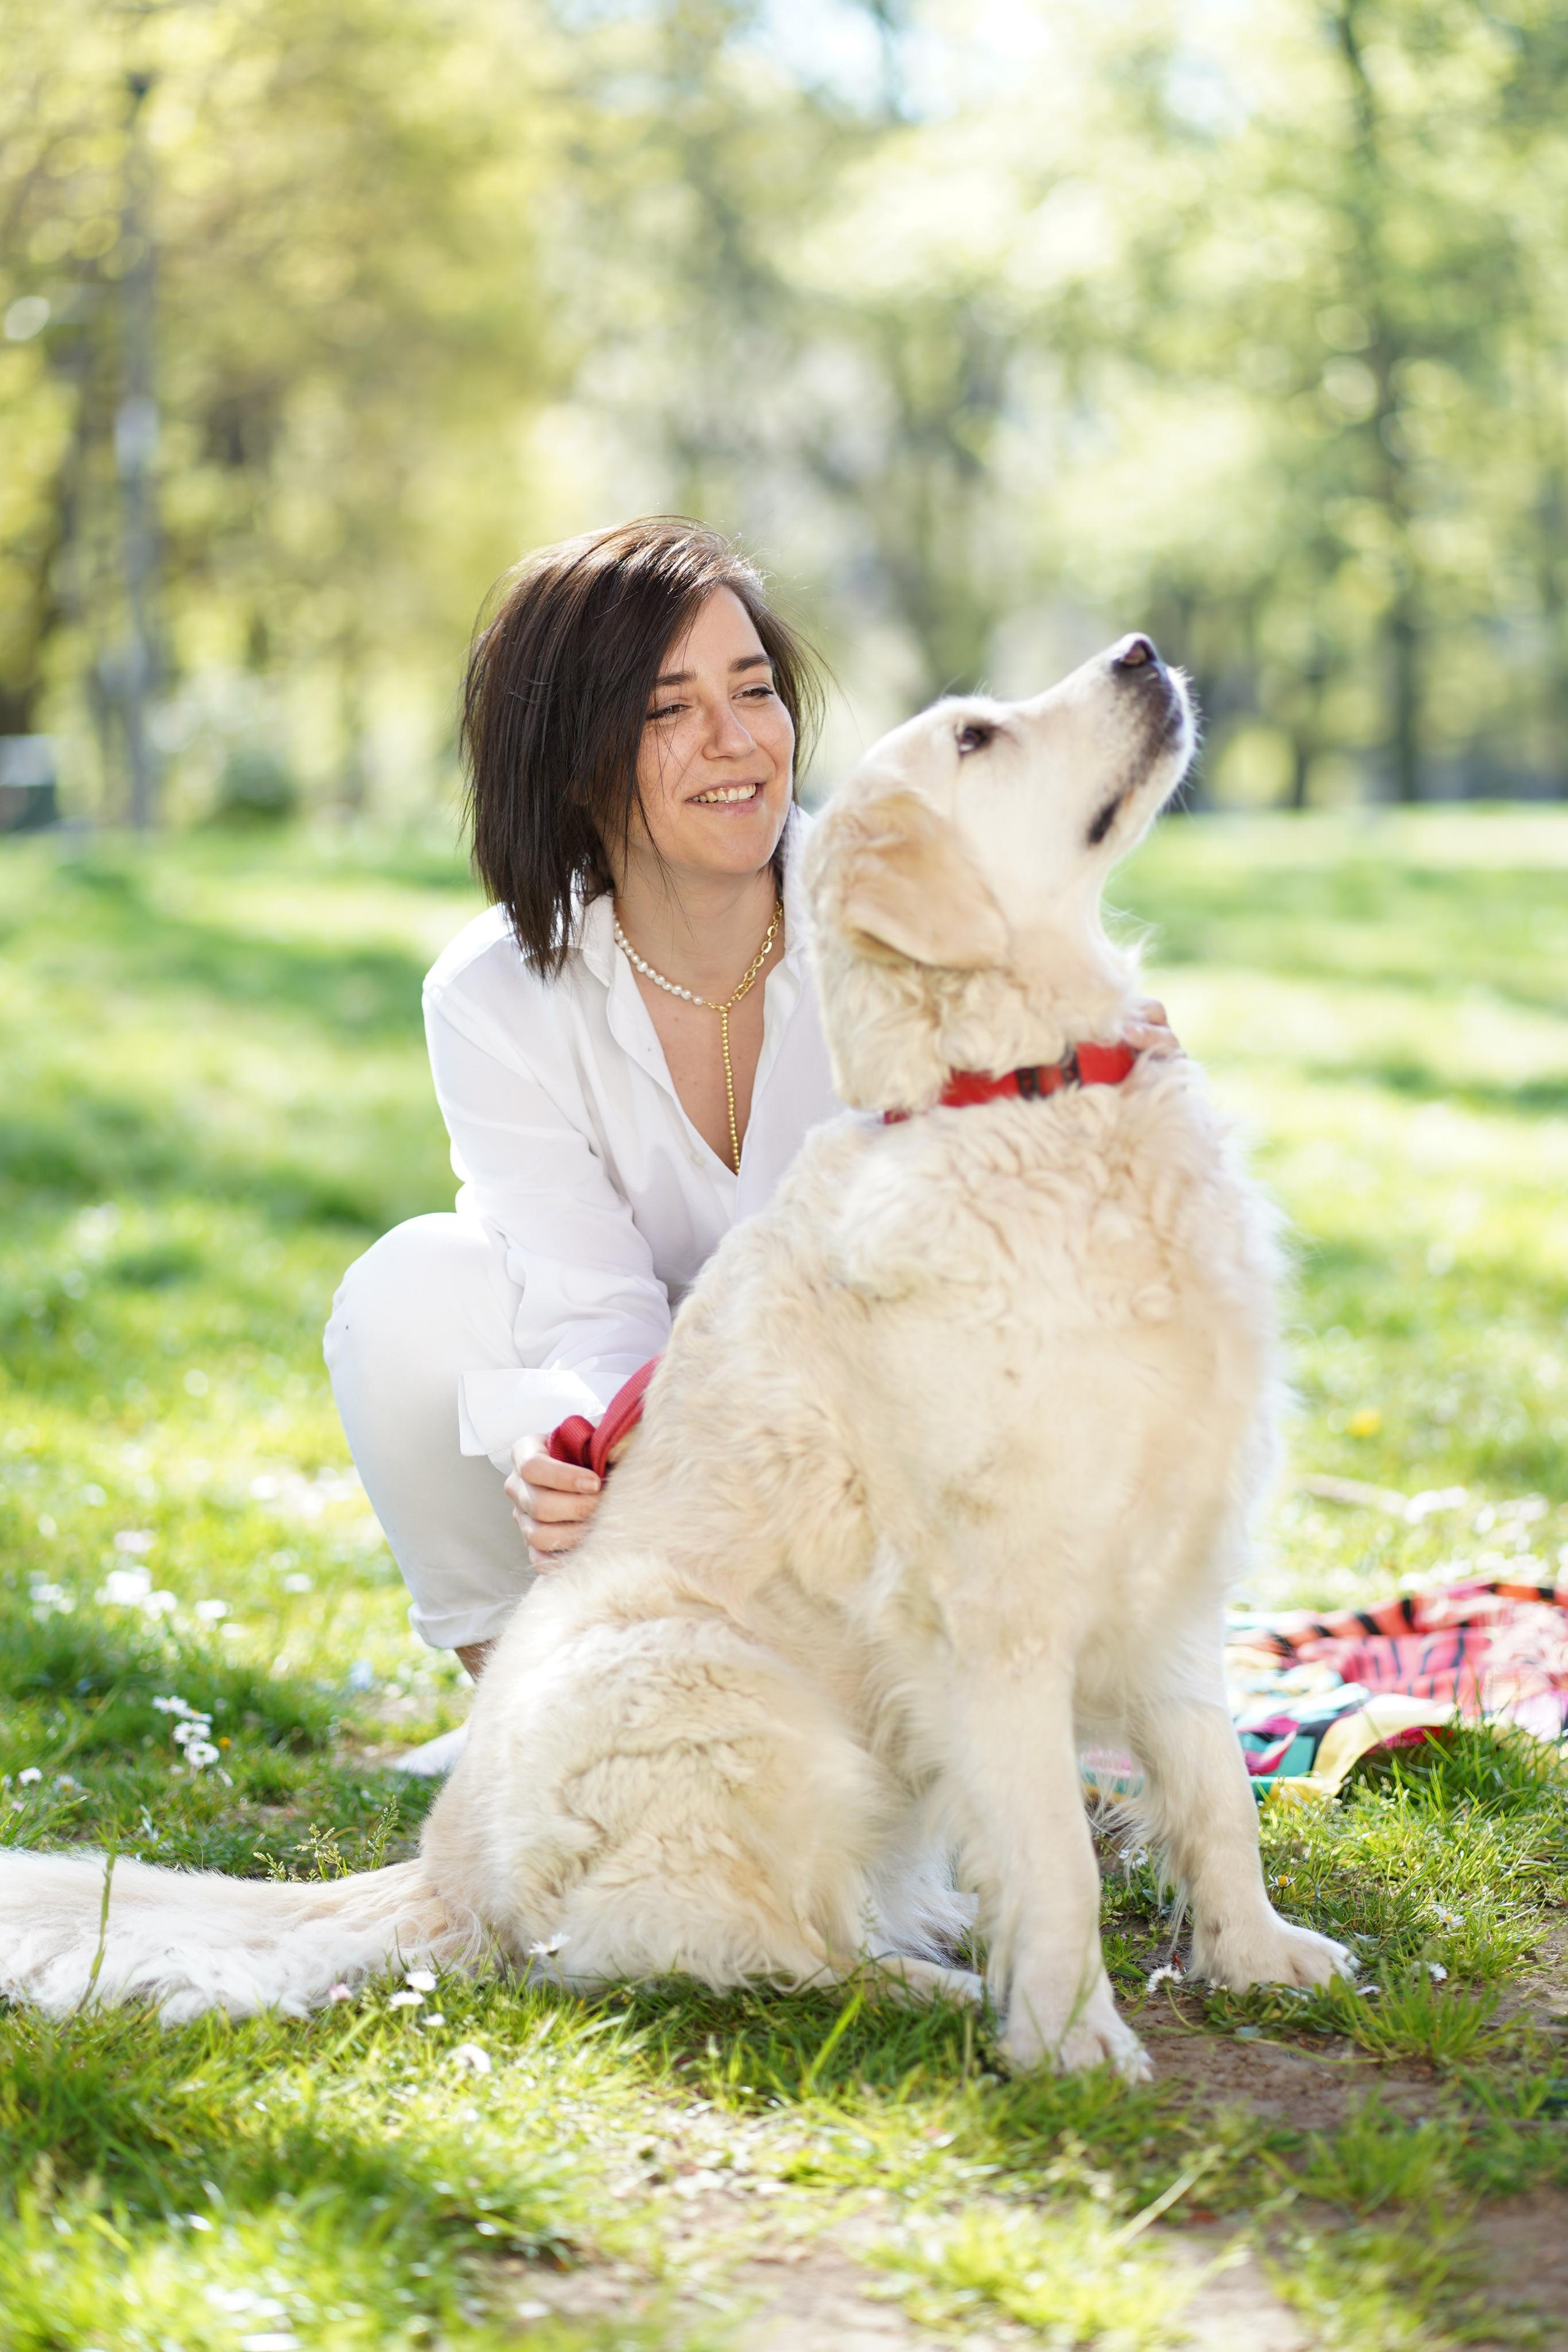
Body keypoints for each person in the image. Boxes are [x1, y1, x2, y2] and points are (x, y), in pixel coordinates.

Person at [324, 515, 1175, 1698]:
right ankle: (535, 1718)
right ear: (574, 760)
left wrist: (1105, 1087)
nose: (736, 741)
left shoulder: (906, 912)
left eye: (755, 689)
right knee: (410, 1293)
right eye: (666, 710)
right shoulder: (492, 994)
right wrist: (577, 1450)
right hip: (663, 1413)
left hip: (889, 1423)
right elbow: (586, 1301)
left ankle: (1014, 1701)